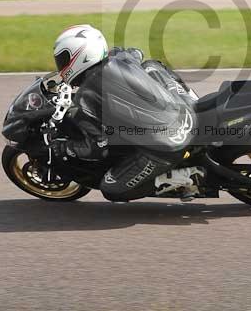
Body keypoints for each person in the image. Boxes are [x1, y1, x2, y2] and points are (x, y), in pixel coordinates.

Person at [50, 24, 197, 201]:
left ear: (80, 55)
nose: (61, 65)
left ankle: (184, 177)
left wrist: (65, 147)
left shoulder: (85, 98)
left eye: (64, 59)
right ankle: (194, 100)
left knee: (111, 188)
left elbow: (99, 147)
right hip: (184, 113)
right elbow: (137, 53)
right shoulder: (117, 57)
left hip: (168, 142)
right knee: (151, 65)